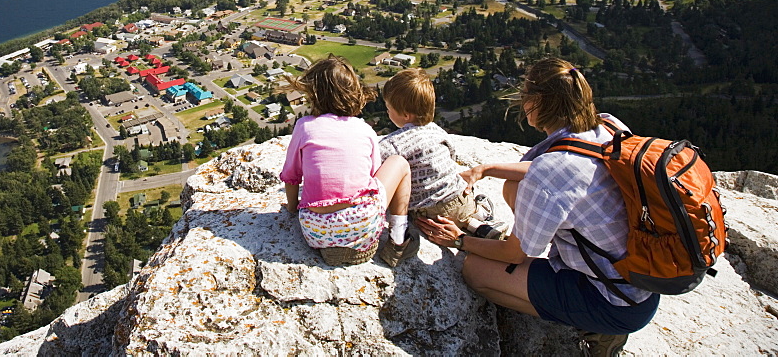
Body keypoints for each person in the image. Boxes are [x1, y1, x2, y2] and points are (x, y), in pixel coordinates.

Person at [416, 58, 659, 357]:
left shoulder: (551, 169)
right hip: (641, 282)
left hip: (611, 301)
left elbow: (516, 254)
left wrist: (460, 240)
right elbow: (564, 169)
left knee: (474, 271)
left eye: (524, 96)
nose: (521, 102)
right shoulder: (607, 126)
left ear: (538, 102)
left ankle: (597, 331)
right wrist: (489, 168)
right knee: (513, 184)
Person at [280, 55, 416, 267]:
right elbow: (372, 179)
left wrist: (291, 209)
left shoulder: (304, 126)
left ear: (314, 94)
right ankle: (398, 240)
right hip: (362, 225)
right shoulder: (365, 130)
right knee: (399, 162)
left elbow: (291, 175)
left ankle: (335, 245)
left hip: (315, 230)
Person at [379, 68, 506, 244]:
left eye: (388, 109)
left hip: (428, 212)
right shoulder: (438, 131)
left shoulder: (392, 143)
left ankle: (475, 224)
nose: (387, 113)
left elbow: (379, 170)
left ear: (406, 115)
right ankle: (480, 225)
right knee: (465, 213)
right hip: (460, 197)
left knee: (426, 212)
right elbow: (451, 157)